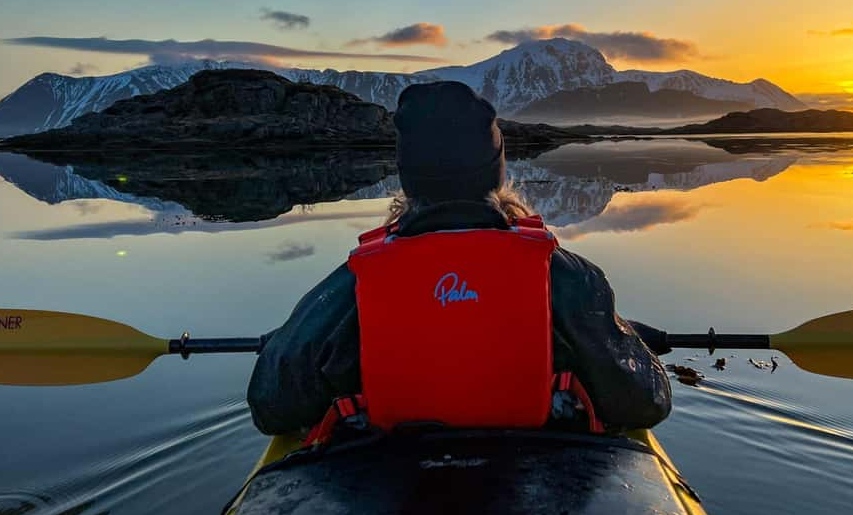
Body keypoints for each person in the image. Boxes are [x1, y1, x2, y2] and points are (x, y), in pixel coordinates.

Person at [247, 81, 671, 437]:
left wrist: (287, 345)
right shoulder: (571, 280)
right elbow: (645, 404)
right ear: (495, 171)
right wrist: (625, 340)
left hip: (392, 483)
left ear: (407, 177)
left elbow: (272, 409)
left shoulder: (355, 283)